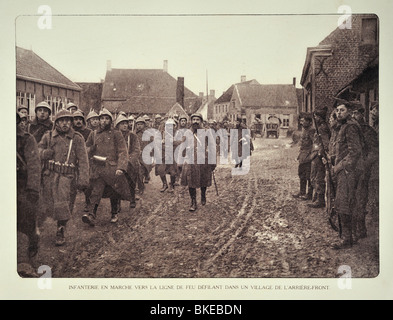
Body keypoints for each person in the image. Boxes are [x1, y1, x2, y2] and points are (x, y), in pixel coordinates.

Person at [38, 109, 89, 246]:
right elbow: (37, 151)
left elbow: (83, 160)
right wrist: (44, 153)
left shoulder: (77, 138)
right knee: (45, 204)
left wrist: (83, 180)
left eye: (68, 121)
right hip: (49, 176)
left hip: (67, 177)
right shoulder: (48, 136)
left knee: (63, 204)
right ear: (57, 123)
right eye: (62, 121)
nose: (65, 124)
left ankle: (60, 229)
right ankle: (36, 231)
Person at [82, 108, 132, 226]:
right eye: (102, 119)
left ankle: (114, 212)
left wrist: (121, 167)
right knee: (96, 190)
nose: (104, 121)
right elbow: (85, 149)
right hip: (98, 167)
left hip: (112, 168)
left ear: (110, 120)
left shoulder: (116, 134)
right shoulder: (93, 134)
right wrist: (91, 149)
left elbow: (122, 152)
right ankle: (91, 214)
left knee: (113, 191)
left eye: (106, 118)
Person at [330, 101, 364, 249]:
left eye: (342, 110)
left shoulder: (350, 127)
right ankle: (350, 236)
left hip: (349, 170)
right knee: (345, 202)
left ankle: (347, 239)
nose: (339, 113)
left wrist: (338, 166)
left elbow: (355, 152)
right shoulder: (343, 126)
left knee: (344, 203)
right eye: (337, 110)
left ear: (349, 111)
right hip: (345, 170)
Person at [17, 112, 41, 270]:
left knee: (26, 224)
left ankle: (26, 262)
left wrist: (32, 189)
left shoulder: (26, 139)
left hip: (22, 187)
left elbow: (33, 166)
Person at [180, 113, 216, 211]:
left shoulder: (206, 132)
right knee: (191, 182)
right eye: (193, 119)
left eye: (197, 119)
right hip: (191, 161)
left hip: (203, 161)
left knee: (203, 180)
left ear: (201, 121)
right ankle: (193, 202)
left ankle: (203, 195)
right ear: (191, 121)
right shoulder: (187, 133)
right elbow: (182, 147)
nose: (195, 121)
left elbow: (212, 148)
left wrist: (213, 162)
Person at [352, 106, 379, 239]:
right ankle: (353, 229)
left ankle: (361, 230)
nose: (353, 116)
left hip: (362, 172)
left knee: (360, 200)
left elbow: (374, 152)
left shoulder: (367, 131)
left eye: (356, 112)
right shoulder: (351, 129)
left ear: (362, 114)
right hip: (352, 170)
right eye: (351, 113)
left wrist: (363, 166)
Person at [114, 114, 141, 208]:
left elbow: (136, 150)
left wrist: (129, 160)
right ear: (117, 125)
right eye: (122, 124)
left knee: (131, 182)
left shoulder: (132, 136)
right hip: (118, 163)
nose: (125, 125)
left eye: (126, 123)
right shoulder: (115, 136)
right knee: (117, 184)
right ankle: (117, 203)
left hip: (130, 163)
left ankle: (132, 198)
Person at [69, 110, 93, 212]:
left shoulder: (89, 132)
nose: (78, 121)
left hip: (86, 159)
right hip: (72, 160)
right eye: (75, 119)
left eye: (80, 119)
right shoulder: (70, 133)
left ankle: (88, 202)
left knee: (87, 182)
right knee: (71, 184)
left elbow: (93, 145)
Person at [308, 107, 330, 208]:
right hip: (316, 154)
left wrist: (320, 154)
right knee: (315, 176)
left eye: (316, 116)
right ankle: (317, 196)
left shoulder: (322, 128)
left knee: (319, 177)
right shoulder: (319, 127)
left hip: (319, 155)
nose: (315, 118)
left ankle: (320, 199)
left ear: (320, 117)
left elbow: (325, 143)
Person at [292, 112, 315, 200]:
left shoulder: (312, 130)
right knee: (301, 174)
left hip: (308, 156)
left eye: (304, 121)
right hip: (302, 155)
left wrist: (311, 155)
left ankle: (309, 194)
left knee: (308, 176)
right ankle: (302, 192)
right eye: (301, 121)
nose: (302, 123)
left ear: (309, 122)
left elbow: (314, 144)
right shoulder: (304, 130)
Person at [155, 118, 179, 193]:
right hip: (163, 155)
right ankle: (164, 184)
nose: (169, 127)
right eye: (168, 126)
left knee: (173, 172)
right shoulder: (161, 133)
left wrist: (173, 142)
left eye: (171, 126)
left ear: (174, 126)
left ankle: (172, 184)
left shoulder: (177, 133)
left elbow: (179, 143)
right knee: (160, 170)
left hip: (172, 155)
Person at [135, 117, 153, 185]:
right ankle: (140, 184)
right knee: (139, 170)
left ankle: (147, 175)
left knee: (146, 167)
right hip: (138, 154)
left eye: (141, 124)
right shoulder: (134, 134)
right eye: (138, 124)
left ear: (144, 125)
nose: (139, 126)